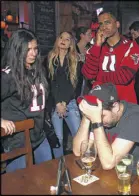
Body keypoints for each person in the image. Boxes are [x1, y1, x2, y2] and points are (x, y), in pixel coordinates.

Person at [73, 83, 139, 172]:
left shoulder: (136, 116)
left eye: (102, 115)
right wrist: (86, 117)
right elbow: (78, 151)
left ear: (115, 107)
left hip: (135, 175)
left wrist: (97, 122)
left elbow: (108, 163)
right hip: (112, 173)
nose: (99, 119)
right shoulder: (97, 115)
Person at [1, 29, 52, 172]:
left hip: (39, 135)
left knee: (49, 177)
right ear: (17, 50)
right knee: (20, 185)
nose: (33, 53)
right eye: (28, 49)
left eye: (35, 48)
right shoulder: (8, 76)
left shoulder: (37, 69)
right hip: (18, 141)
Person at [81, 10, 139, 104]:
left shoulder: (132, 46)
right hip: (99, 102)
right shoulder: (95, 47)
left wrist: (97, 77)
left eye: (107, 22)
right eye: (101, 24)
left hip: (124, 104)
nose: (104, 27)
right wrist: (97, 46)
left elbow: (124, 77)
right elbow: (88, 74)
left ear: (117, 24)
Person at [47, 31, 81, 158]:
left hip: (70, 103)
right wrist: (57, 103)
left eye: (67, 39)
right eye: (61, 37)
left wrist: (64, 102)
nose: (63, 40)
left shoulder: (74, 59)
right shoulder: (50, 58)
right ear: (57, 39)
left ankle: (82, 164)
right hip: (55, 104)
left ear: (71, 43)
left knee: (79, 136)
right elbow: (50, 83)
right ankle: (58, 167)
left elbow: (73, 85)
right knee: (58, 140)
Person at [75, 26, 93, 96]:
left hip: (88, 81)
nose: (91, 36)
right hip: (77, 80)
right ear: (82, 35)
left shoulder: (91, 48)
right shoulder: (73, 49)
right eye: (89, 34)